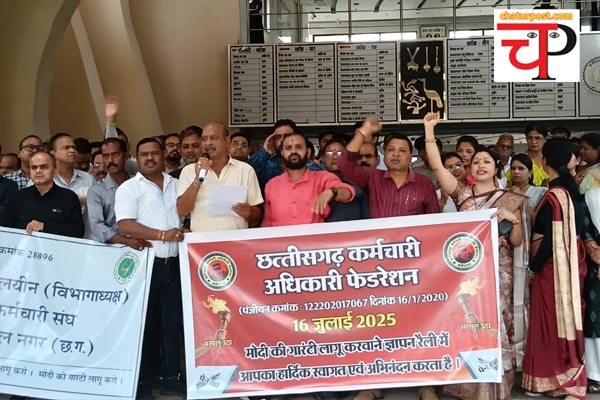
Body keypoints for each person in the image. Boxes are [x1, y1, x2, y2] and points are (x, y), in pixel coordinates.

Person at [424, 112, 526, 400]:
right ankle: (471, 385)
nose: (481, 165)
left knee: (496, 325)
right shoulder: (462, 195)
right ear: (470, 167)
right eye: (476, 161)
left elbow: (516, 242)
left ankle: (495, 386)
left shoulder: (509, 198)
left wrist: (513, 220)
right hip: (468, 274)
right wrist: (429, 130)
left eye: (487, 162)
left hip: (499, 273)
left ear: (496, 169)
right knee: (471, 324)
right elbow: (436, 165)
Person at [114, 137, 185, 398]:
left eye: (154, 153)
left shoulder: (177, 184)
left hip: (175, 264)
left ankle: (171, 377)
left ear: (164, 155)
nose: (150, 158)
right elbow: (125, 225)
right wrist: (161, 235)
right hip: (146, 265)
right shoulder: (129, 188)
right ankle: (142, 380)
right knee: (143, 325)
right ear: (137, 158)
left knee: (172, 324)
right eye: (144, 154)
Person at [522, 138, 587, 399]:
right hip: (568, 264)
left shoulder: (556, 196)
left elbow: (551, 239)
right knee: (556, 323)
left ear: (546, 160)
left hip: (552, 268)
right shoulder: (570, 191)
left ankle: (564, 380)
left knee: (551, 324)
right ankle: (549, 380)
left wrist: (534, 266)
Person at [337, 118, 439, 219]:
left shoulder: (425, 183)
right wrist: (362, 133)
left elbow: (434, 220)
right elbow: (344, 164)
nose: (396, 154)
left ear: (410, 157)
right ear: (384, 154)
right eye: (391, 149)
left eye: (402, 150)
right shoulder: (372, 177)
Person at [177, 122, 263, 231]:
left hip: (236, 239)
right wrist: (197, 181)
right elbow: (182, 211)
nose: (208, 143)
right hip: (202, 240)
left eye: (214, 138)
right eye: (204, 139)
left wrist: (249, 212)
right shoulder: (189, 171)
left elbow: (257, 214)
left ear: (227, 141)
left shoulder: (245, 170)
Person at [262, 132, 355, 227]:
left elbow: (348, 192)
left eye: (298, 147)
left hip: (315, 236)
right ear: (282, 153)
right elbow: (268, 222)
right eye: (288, 148)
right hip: (281, 237)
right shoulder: (272, 185)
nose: (293, 151)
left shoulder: (322, 178)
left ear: (308, 152)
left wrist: (332, 192)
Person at [87, 138, 150, 250]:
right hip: (111, 250)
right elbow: (97, 226)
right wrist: (127, 241)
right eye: (106, 156)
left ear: (125, 156)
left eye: (115, 154)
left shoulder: (140, 183)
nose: (111, 160)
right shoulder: (96, 191)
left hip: (146, 245)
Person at [3, 152, 84, 238]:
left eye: (44, 167)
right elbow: (6, 229)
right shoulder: (18, 197)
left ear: (54, 171)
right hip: (23, 245)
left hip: (57, 246)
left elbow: (78, 231)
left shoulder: (69, 197)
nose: (38, 171)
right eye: (34, 167)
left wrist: (45, 227)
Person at [573, 142, 600, 395]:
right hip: (595, 255)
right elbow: (581, 215)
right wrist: (592, 246)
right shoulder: (587, 178)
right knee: (594, 312)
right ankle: (595, 373)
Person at [248, 119, 321, 194]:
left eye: (287, 136)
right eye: (278, 137)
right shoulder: (266, 166)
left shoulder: (312, 168)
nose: (282, 140)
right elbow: (246, 173)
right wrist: (265, 151)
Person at [321, 137, 369, 221]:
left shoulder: (358, 181)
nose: (335, 157)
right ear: (323, 158)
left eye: (340, 153)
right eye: (329, 153)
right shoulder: (317, 182)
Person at [49, 133, 94, 205]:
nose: (72, 150)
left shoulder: (87, 177)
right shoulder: (46, 179)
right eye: (66, 148)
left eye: (74, 147)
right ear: (53, 152)